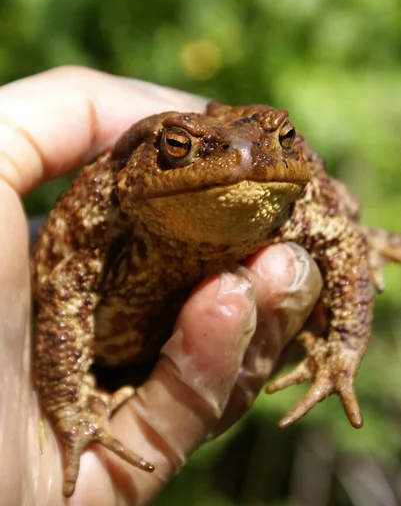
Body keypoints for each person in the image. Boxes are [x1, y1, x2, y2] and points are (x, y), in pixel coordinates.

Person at [0, 66, 322, 505]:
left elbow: (337, 224)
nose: (243, 160)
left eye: (281, 138)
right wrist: (67, 407)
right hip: (89, 365)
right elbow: (66, 291)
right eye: (179, 146)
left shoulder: (290, 199)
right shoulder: (109, 210)